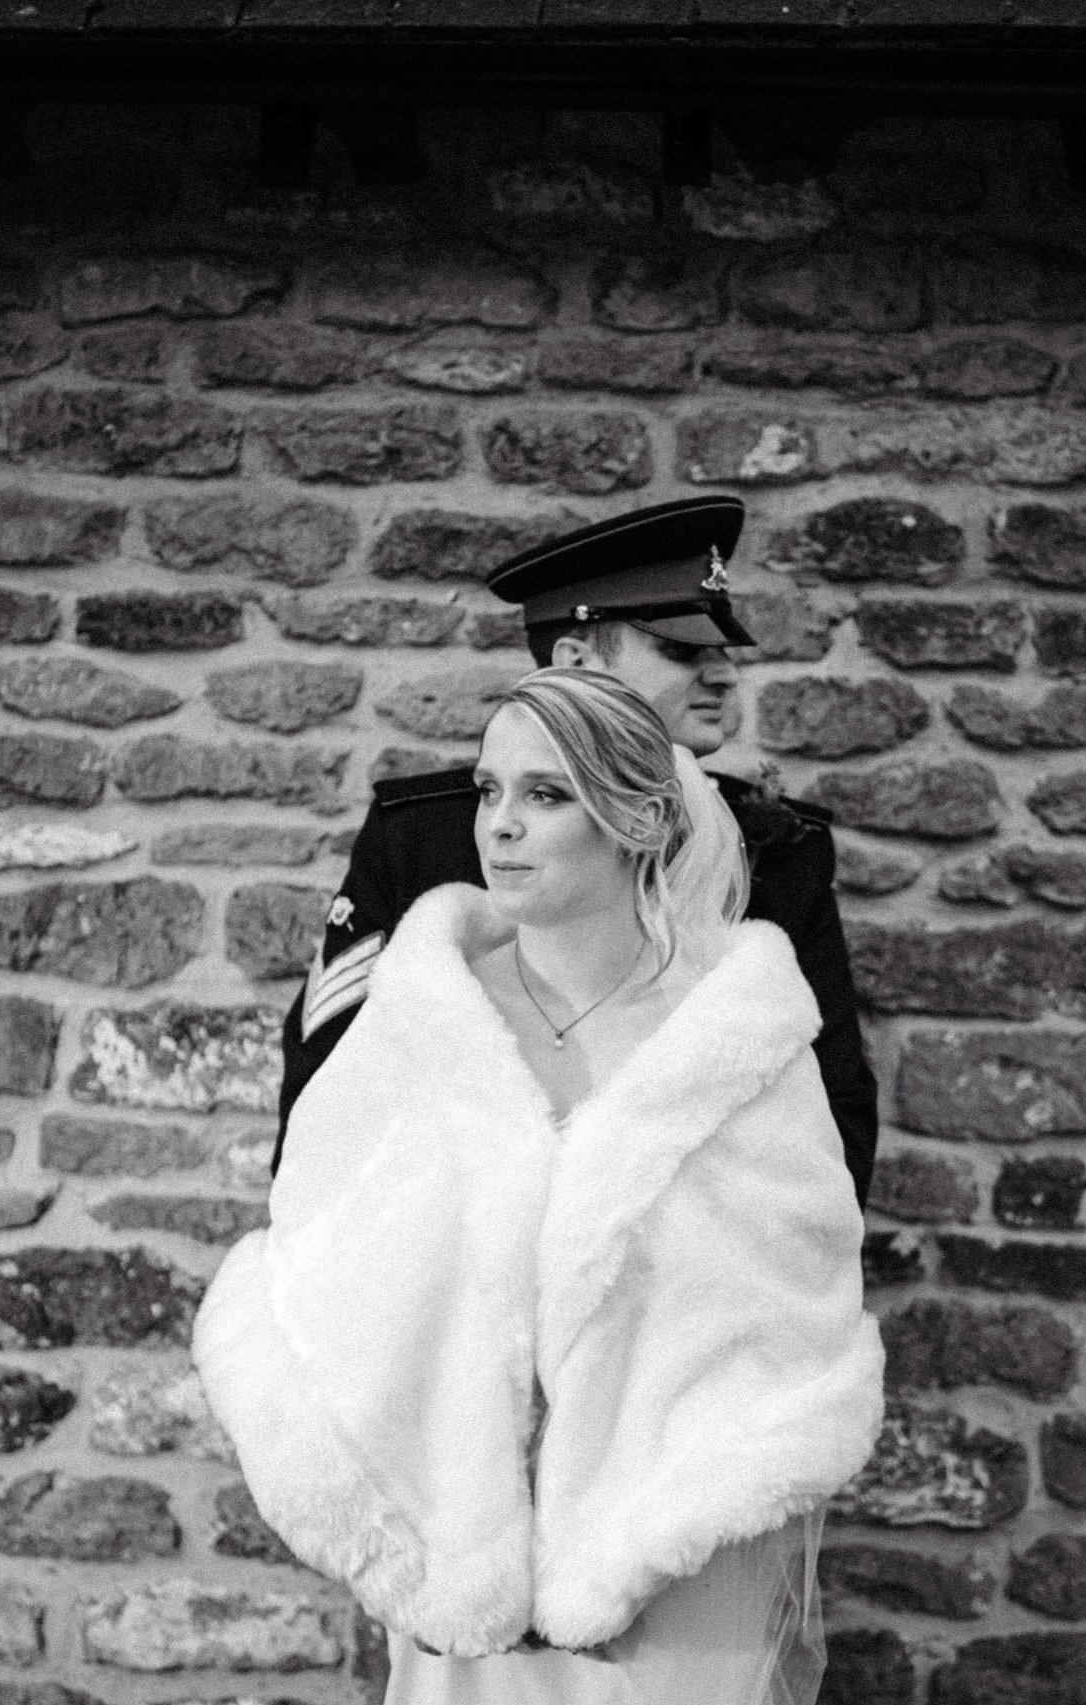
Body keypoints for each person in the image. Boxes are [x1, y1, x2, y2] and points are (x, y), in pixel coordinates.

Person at [193, 667, 885, 1705]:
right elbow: (328, 1270)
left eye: (545, 796)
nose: (499, 826)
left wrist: (636, 1539)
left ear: (636, 821)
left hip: (659, 1584)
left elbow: (789, 1310)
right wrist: (425, 1542)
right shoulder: (426, 1013)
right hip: (465, 1576)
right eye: (488, 790)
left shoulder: (731, 1036)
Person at [273, 493, 878, 1205]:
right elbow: (328, 1109)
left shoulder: (776, 848)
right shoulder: (427, 839)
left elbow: (830, 1132)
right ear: (576, 662)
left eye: (722, 652)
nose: (724, 674)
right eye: (683, 650)